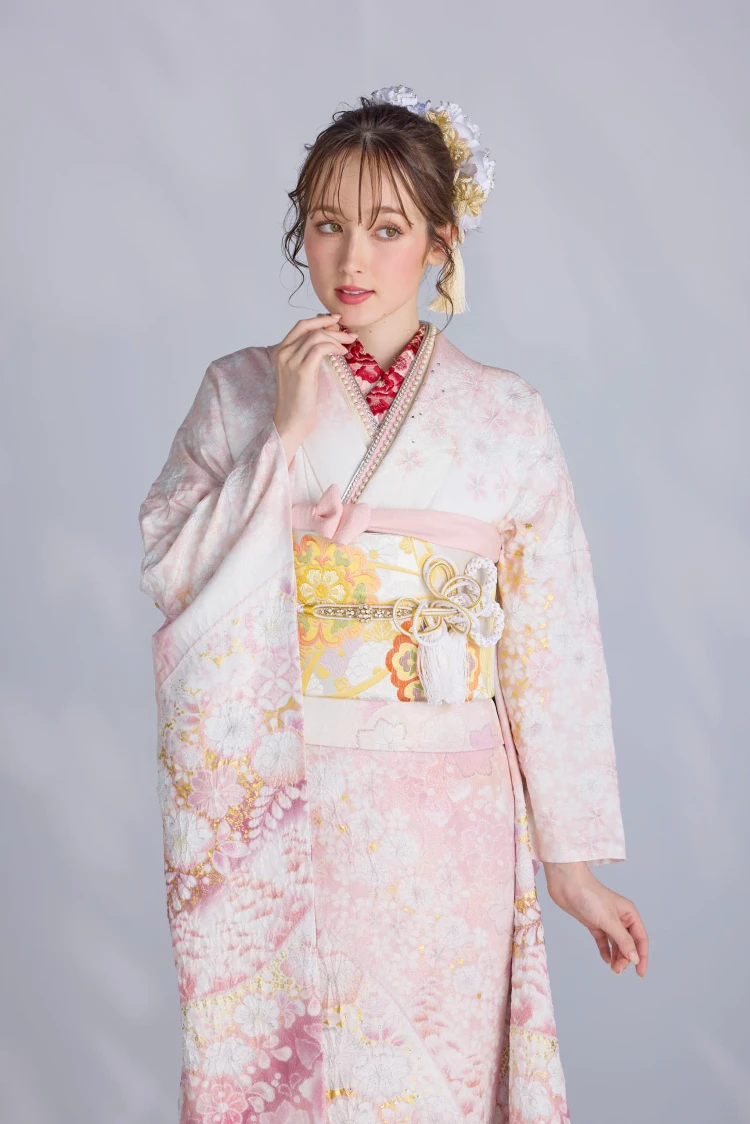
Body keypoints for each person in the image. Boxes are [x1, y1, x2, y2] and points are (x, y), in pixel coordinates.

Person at [138, 85, 648, 1124]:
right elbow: (172, 573)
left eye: (386, 228)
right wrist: (283, 436)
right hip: (290, 798)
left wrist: (572, 865)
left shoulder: (507, 417)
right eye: (328, 224)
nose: (352, 259)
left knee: (434, 1083)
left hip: (450, 825)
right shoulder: (240, 392)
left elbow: (550, 643)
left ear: (440, 242)